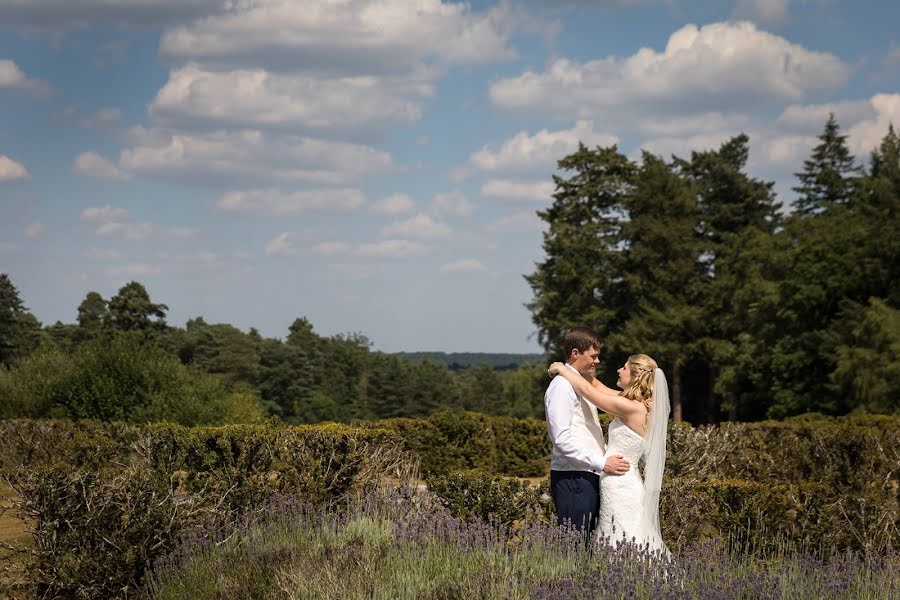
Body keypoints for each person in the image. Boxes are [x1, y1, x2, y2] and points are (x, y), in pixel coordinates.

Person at [548, 353, 670, 553]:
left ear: (635, 377)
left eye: (624, 368)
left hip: (620, 484)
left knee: (623, 535)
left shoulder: (629, 407)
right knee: (619, 534)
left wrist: (562, 369)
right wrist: (576, 368)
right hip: (621, 480)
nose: (619, 370)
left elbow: (590, 392)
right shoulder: (634, 404)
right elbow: (596, 386)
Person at [544, 327, 630, 539]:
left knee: (586, 543)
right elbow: (561, 439)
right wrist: (601, 463)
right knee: (575, 544)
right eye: (593, 356)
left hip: (587, 473)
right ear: (575, 353)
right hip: (573, 476)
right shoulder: (562, 387)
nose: (597, 361)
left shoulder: (579, 382)